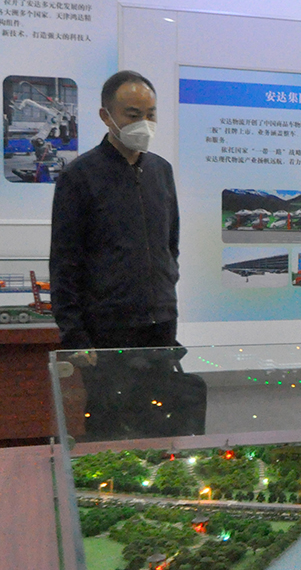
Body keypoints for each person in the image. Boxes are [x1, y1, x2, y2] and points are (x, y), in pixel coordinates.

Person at [51, 70, 202, 439]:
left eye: (151, 114)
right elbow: (64, 263)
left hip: (160, 325)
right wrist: (75, 336)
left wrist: (165, 293)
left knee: (162, 422)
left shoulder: (160, 171)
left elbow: (170, 245)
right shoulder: (80, 177)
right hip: (107, 331)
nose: (143, 124)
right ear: (107, 116)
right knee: (110, 427)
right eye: (133, 115)